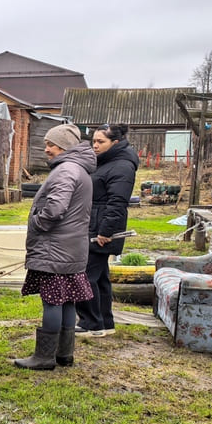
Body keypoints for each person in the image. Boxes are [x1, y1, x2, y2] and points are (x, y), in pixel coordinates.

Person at [14, 122, 96, 371]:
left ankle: (44, 357)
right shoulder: (79, 169)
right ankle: (64, 354)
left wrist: (38, 222)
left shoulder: (66, 170)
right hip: (71, 248)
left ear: (63, 146)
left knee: (52, 301)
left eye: (50, 144)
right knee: (67, 300)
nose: (46, 149)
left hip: (55, 249)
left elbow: (56, 208)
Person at [76, 124, 139, 338]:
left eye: (100, 142)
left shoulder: (122, 166)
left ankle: (91, 324)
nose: (95, 145)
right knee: (100, 277)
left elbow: (117, 202)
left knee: (85, 275)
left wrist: (105, 231)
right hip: (95, 225)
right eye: (93, 141)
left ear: (115, 143)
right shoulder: (107, 162)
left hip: (101, 230)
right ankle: (105, 322)